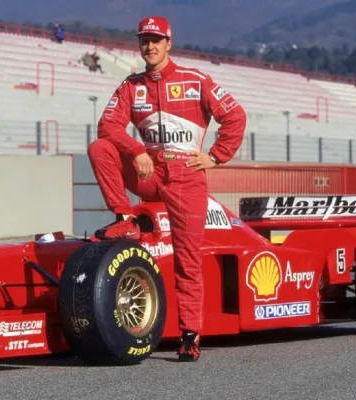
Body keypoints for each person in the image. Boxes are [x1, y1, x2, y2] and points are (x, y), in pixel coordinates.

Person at [86, 16, 246, 362]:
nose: (150, 46)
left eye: (156, 40)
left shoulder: (195, 80)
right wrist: (136, 150)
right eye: (145, 40)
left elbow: (235, 116)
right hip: (150, 172)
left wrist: (216, 156)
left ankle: (189, 335)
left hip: (187, 177)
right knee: (100, 148)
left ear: (168, 43)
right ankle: (125, 218)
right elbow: (107, 125)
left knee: (188, 259)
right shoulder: (131, 86)